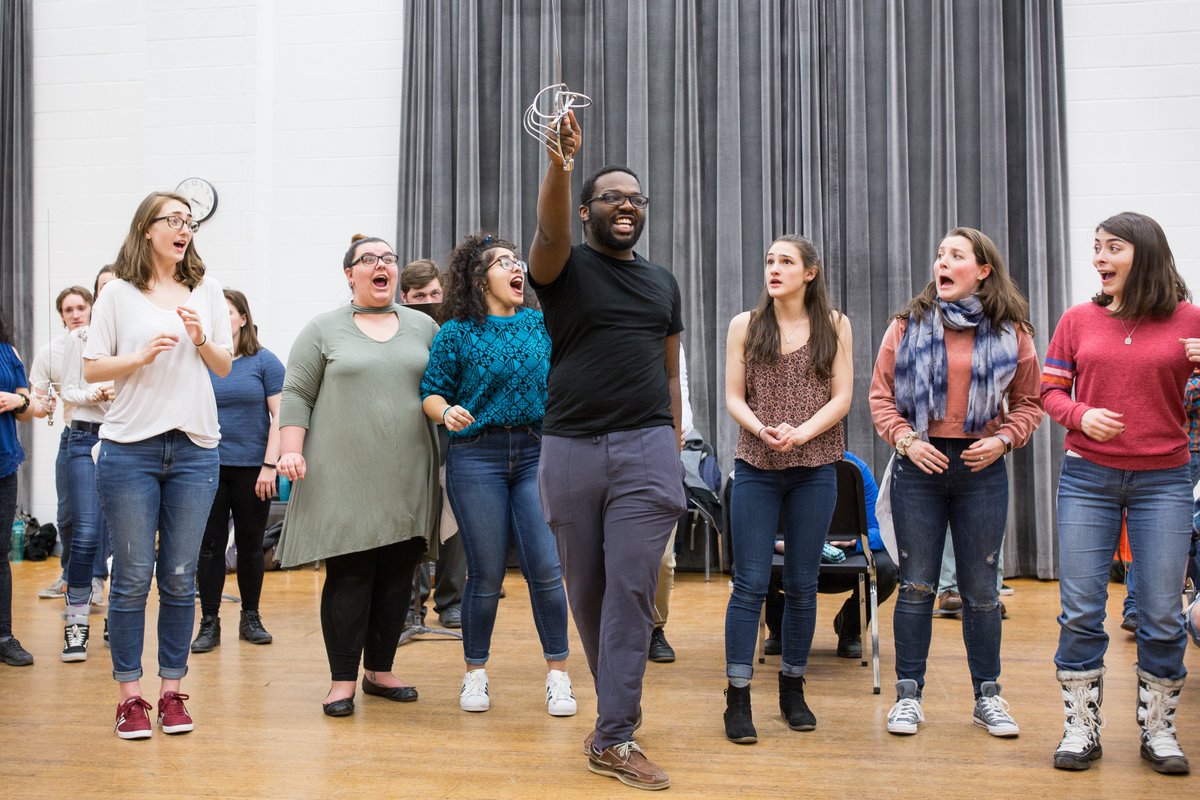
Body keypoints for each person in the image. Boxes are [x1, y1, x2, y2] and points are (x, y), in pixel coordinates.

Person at [528, 111, 686, 790]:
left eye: (636, 197)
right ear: (590, 209)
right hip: (570, 449)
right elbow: (549, 232)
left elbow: (671, 370)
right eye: (613, 196)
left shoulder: (661, 283)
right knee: (588, 594)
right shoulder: (562, 269)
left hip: (646, 447)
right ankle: (615, 711)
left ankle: (614, 733)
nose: (627, 204)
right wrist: (561, 165)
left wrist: (673, 446)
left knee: (629, 588)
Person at [1042, 211, 1200, 774]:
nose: (1099, 258)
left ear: (1146, 255)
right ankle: (1080, 728)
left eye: (1113, 248)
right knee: (1081, 610)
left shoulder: (1190, 319)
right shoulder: (1079, 319)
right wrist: (1082, 416)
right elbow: (1050, 392)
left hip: (1165, 480)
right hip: (1087, 477)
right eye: (1096, 247)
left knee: (1160, 613)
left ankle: (1158, 729)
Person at [869, 227, 1042, 740]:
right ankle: (908, 697)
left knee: (981, 592)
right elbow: (881, 398)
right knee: (917, 584)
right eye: (939, 253)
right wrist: (906, 441)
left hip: (982, 467)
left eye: (956, 255)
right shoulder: (905, 326)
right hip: (918, 465)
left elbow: (1030, 405)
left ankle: (988, 696)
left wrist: (1005, 440)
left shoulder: (1014, 332)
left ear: (982, 270)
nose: (942, 261)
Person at [83, 191, 233, 738]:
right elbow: (95, 367)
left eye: (189, 222)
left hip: (195, 448)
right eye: (172, 219)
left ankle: (171, 693)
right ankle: (130, 698)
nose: (183, 228)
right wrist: (140, 357)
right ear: (146, 228)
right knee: (130, 576)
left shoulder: (208, 289)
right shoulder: (118, 295)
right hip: (130, 448)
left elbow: (222, 365)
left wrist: (200, 337)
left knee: (177, 574)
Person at [276, 234, 439, 718]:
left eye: (389, 258)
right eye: (369, 259)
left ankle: (380, 671)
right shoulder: (323, 328)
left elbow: (443, 385)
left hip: (408, 470)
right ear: (350, 274)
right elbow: (296, 394)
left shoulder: (423, 326)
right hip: (341, 473)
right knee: (350, 574)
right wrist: (290, 451)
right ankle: (342, 679)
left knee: (397, 574)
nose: (381, 265)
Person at [421, 232, 575, 716]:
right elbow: (431, 392)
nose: (517, 268)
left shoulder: (540, 324)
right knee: (484, 573)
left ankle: (559, 676)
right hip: (476, 456)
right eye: (503, 261)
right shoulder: (456, 332)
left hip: (534, 451)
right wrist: (445, 413)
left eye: (517, 261)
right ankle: (475, 673)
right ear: (478, 277)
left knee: (546, 570)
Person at [722, 235, 853, 744]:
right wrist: (762, 430)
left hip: (815, 465)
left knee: (802, 584)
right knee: (750, 583)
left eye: (786, 262)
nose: (774, 269)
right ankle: (737, 695)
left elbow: (842, 396)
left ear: (810, 272)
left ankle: (793, 686)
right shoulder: (745, 325)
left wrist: (801, 432)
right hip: (756, 464)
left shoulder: (835, 324)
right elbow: (734, 397)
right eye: (770, 260)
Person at [192, 290, 284, 653]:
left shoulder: (264, 361)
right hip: (206, 467)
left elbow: (281, 416)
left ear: (243, 318)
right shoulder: (199, 360)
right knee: (210, 547)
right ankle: (209, 622)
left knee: (249, 546)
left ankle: (251, 617)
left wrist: (270, 465)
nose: (222, 318)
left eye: (228, 312)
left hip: (252, 469)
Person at [763, 450, 899, 661]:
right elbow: (758, 526)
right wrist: (779, 544)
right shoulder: (774, 466)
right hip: (790, 557)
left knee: (886, 570)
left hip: (844, 559)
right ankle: (780, 627)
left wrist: (853, 541)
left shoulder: (856, 469)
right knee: (747, 568)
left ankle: (849, 626)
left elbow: (880, 530)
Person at [401, 257, 465, 630]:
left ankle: (452, 601)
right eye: (421, 295)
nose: (430, 299)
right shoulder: (394, 329)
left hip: (450, 430)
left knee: (455, 517)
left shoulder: (455, 328)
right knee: (414, 522)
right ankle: (412, 605)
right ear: (405, 297)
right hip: (409, 433)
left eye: (435, 293)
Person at [57, 277, 117, 661]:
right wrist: (96, 393)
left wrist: (118, 395)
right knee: (86, 534)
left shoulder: (130, 336)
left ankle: (118, 617)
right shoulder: (79, 340)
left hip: (122, 439)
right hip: (83, 439)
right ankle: (76, 621)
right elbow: (67, 391)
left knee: (123, 540)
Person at [29, 286, 94, 600]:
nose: (76, 314)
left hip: (110, 435)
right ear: (61, 316)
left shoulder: (106, 345)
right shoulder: (49, 353)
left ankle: (95, 579)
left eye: (81, 307)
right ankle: (69, 574)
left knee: (99, 515)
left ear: (91, 309)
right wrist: (44, 406)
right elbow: (37, 404)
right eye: (69, 310)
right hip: (73, 435)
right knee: (68, 514)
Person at [0, 307, 49, 667]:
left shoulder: (8, 351)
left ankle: (3, 636)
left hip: (2, 464)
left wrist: (21, 401)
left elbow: (28, 408)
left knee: (0, 555)